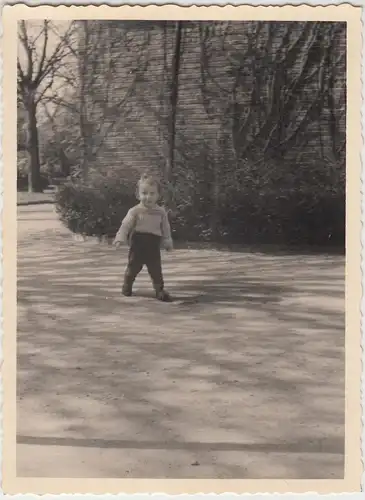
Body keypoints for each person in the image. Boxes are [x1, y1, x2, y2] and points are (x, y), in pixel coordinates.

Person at [113, 174, 173, 302]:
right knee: (133, 267)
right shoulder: (135, 211)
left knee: (156, 269)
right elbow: (126, 225)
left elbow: (165, 228)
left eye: (152, 193)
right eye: (144, 193)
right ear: (138, 194)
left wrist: (167, 240)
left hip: (153, 244)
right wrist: (120, 237)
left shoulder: (161, 212)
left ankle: (160, 290)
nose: (148, 197)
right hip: (138, 243)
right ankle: (127, 286)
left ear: (158, 195)